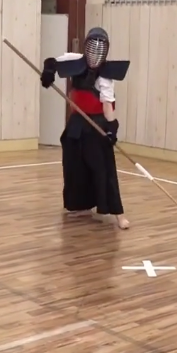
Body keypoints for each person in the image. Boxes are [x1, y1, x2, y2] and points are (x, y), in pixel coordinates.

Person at [40, 27, 131, 229]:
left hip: (97, 124)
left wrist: (111, 129)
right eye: (92, 48)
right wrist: (48, 72)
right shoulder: (74, 60)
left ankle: (119, 214)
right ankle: (81, 205)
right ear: (86, 47)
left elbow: (107, 105)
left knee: (104, 168)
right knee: (74, 163)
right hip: (77, 123)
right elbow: (52, 62)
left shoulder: (106, 76)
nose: (95, 54)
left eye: (100, 49)